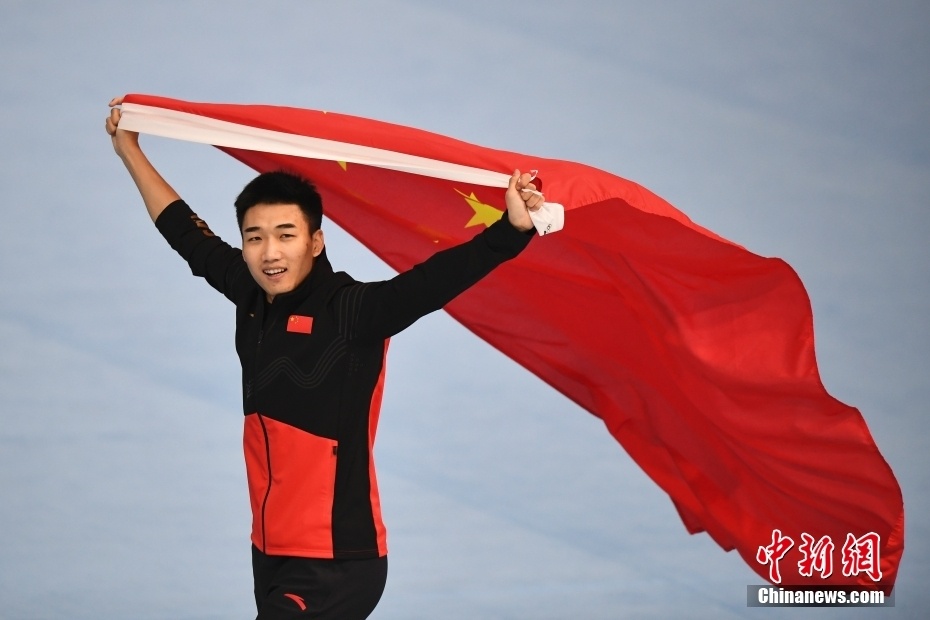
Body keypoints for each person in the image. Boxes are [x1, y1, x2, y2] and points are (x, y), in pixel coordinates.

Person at [105, 97, 545, 619]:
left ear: (315, 241)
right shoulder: (251, 297)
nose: (270, 252)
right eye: (255, 238)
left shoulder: (353, 311)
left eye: (286, 236)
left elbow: (433, 282)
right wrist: (130, 149)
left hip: (338, 560)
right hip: (269, 552)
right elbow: (187, 234)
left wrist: (511, 231)